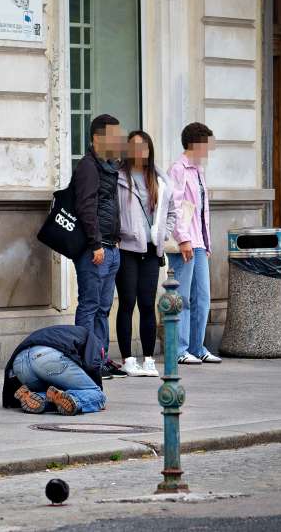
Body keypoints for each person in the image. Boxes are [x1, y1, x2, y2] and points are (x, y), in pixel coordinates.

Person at [114, 130, 175, 377]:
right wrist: (116, 236)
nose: (140, 152)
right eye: (135, 147)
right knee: (127, 303)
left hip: (151, 250)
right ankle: (128, 359)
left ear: (150, 150)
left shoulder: (160, 179)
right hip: (126, 249)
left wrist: (163, 233)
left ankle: (149, 359)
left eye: (144, 147)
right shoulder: (118, 177)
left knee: (148, 304)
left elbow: (172, 213)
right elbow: (111, 211)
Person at [71, 114, 125, 378]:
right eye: (114, 135)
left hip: (111, 247)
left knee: (104, 308)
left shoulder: (109, 166)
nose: (119, 140)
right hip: (96, 249)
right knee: (90, 305)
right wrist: (95, 244)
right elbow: (86, 207)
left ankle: (100, 357)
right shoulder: (88, 167)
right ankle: (85, 359)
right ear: (97, 138)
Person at [167, 122, 221, 365]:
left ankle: (198, 346)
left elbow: (202, 211)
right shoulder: (177, 169)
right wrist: (183, 239)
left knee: (203, 296)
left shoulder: (198, 171)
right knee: (183, 297)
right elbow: (175, 207)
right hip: (185, 242)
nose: (208, 152)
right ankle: (179, 348)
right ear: (196, 143)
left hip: (199, 242)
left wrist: (206, 243)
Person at [1, 325, 105, 416]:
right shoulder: (94, 339)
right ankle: (75, 400)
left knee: (54, 393)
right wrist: (96, 395)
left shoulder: (65, 331)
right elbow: (92, 365)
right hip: (47, 357)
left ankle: (35, 397)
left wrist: (9, 398)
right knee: (97, 394)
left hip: (19, 364)